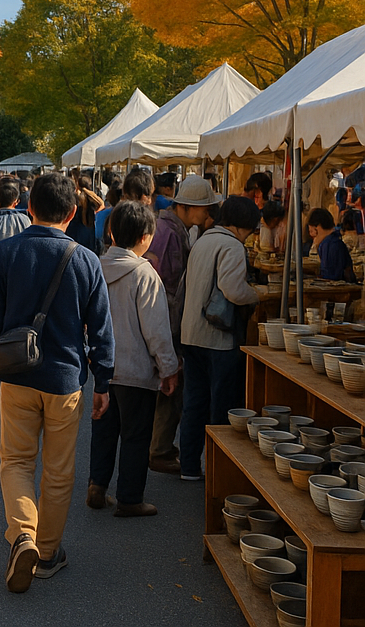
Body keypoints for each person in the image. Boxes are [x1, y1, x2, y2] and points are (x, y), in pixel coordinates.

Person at [0, 172, 114, 593]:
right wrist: (104, 380)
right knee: (58, 471)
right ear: (72, 213)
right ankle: (49, 551)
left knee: (16, 460)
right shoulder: (86, 259)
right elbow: (101, 329)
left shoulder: (4, 253)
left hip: (18, 374)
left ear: (29, 207)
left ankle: (23, 534)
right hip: (65, 379)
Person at [88, 202, 179, 518]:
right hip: (136, 370)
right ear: (145, 237)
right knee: (136, 436)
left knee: (104, 431)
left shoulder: (96, 267)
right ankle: (129, 497)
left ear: (111, 233)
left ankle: (97, 485)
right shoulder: (144, 273)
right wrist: (168, 368)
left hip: (103, 368)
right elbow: (157, 330)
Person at [178, 195, 261, 482]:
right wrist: (257, 295)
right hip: (217, 337)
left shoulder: (204, 240)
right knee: (222, 406)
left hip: (191, 333)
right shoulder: (232, 246)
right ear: (244, 225)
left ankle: (189, 466)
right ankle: (219, 471)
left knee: (194, 404)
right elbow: (233, 289)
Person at [145, 175, 221, 476]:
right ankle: (160, 449)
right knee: (171, 386)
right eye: (204, 207)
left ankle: (158, 447)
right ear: (187, 207)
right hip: (166, 321)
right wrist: (171, 335)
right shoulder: (170, 233)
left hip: (164, 321)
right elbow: (166, 290)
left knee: (168, 385)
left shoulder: (172, 229)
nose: (207, 212)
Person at [308, 207, 357, 282]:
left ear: (317, 228)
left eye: (311, 231)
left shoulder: (329, 245)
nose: (311, 235)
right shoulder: (333, 241)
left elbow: (330, 278)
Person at [65, 175, 102, 254]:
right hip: (90, 232)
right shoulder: (92, 197)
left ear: (78, 185)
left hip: (76, 234)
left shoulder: (76, 198)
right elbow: (101, 205)